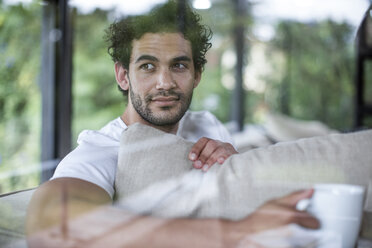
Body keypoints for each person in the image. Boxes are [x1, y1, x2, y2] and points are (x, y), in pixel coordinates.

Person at [26, 0, 319, 245]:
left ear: (197, 74)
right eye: (148, 66)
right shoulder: (101, 151)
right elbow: (50, 223)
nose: (165, 83)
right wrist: (234, 231)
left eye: (178, 65)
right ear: (123, 76)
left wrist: (237, 166)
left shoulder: (207, 125)